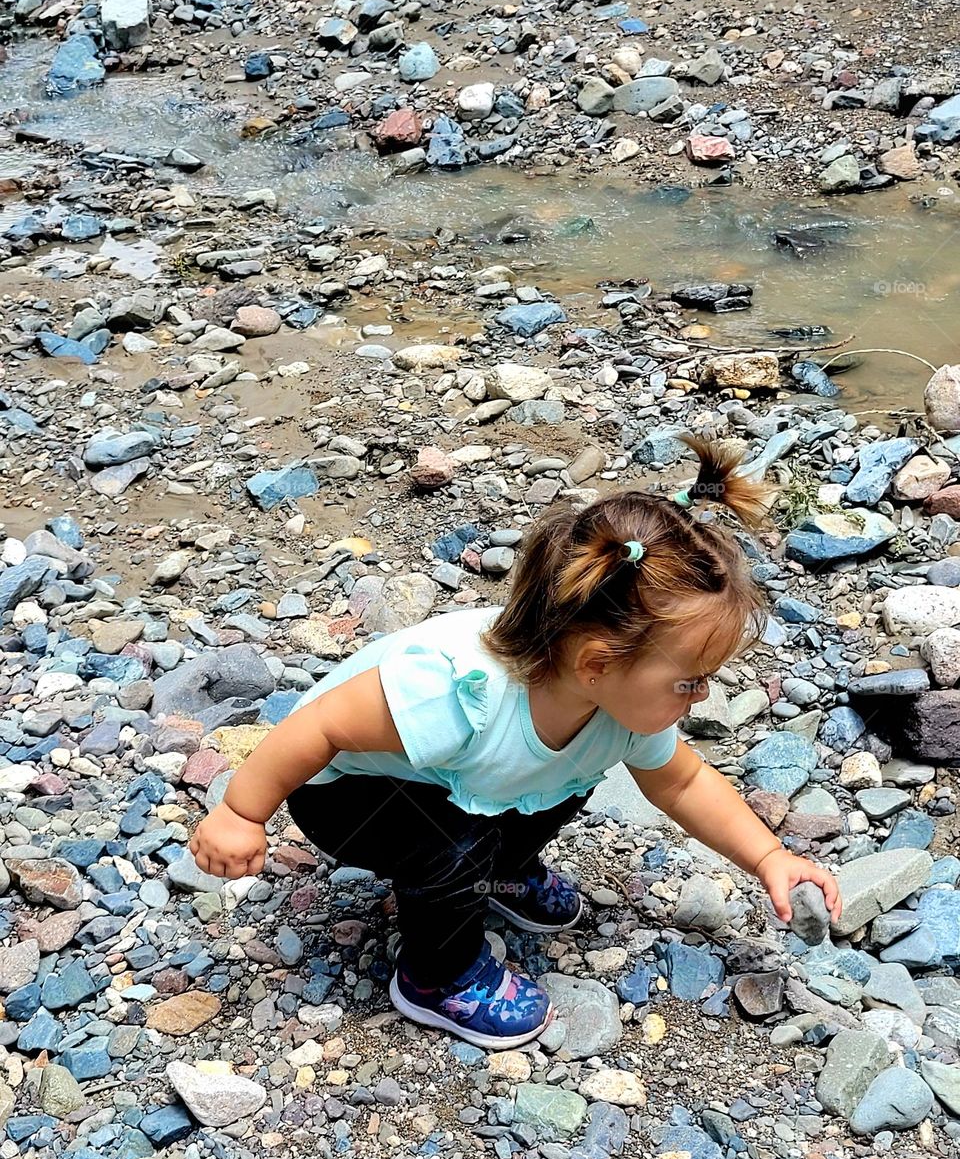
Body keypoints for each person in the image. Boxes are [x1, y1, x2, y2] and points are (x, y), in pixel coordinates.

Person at [189, 435, 842, 1050]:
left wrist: (768, 858)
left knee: (565, 783)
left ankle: (499, 876)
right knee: (455, 839)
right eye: (690, 680)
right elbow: (318, 727)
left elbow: (683, 781)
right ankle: (433, 976)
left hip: (459, 779)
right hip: (341, 790)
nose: (701, 696)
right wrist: (242, 812)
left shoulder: (617, 707)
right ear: (597, 663)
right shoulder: (458, 693)